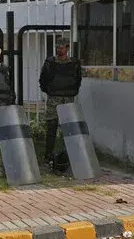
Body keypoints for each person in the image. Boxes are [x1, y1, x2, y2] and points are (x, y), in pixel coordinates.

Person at [39, 37, 82, 170]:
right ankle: (48, 156)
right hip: (54, 99)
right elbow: (43, 80)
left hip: (68, 99)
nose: (58, 49)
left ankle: (67, 156)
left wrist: (71, 92)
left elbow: (78, 80)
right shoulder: (50, 62)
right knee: (51, 127)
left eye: (61, 47)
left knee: (68, 129)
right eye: (57, 47)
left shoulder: (74, 62)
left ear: (67, 48)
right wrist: (51, 91)